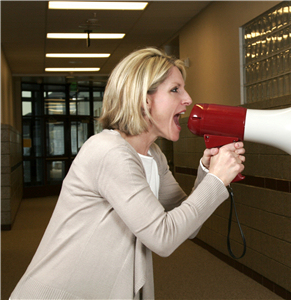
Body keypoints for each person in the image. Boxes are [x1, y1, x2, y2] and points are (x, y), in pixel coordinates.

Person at [10, 47, 245, 299]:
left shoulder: (153, 155)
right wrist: (216, 180)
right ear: (144, 99)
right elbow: (162, 238)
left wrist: (206, 174)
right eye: (175, 89)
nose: (188, 99)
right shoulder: (109, 151)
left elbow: (187, 227)